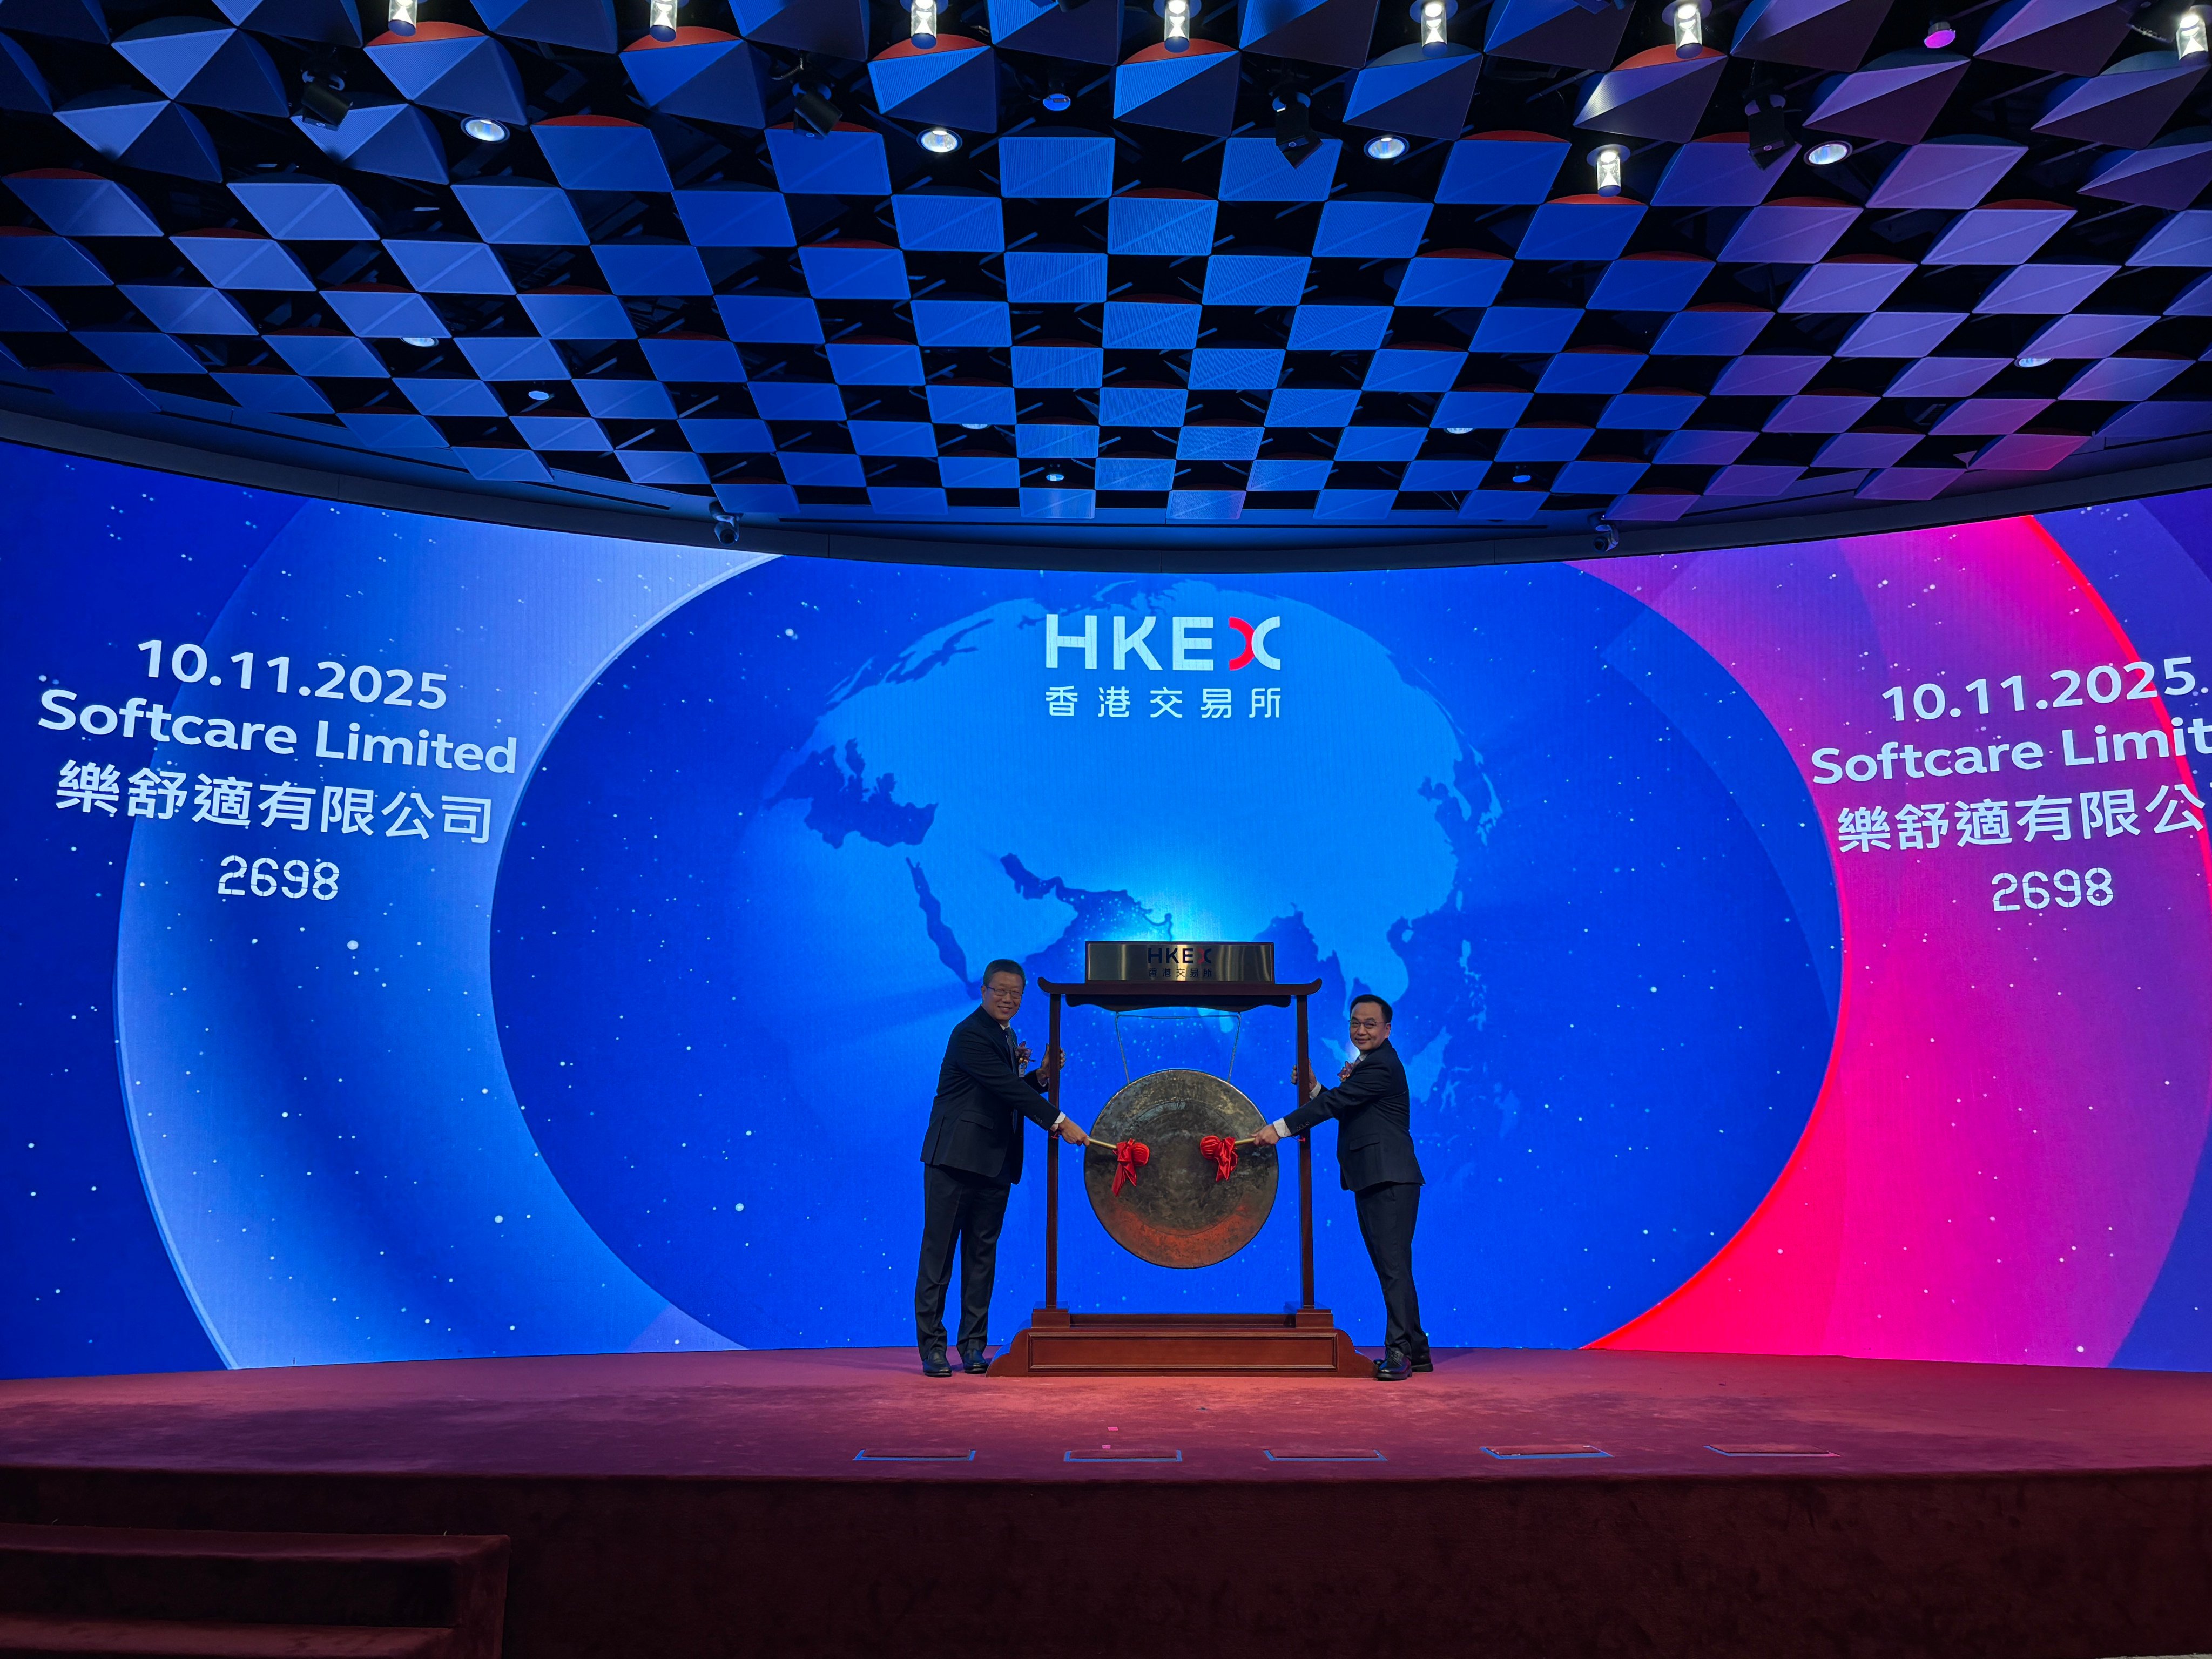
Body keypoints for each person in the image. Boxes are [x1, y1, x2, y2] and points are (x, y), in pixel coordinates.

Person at [915, 959, 1088, 1376]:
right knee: (939, 1259)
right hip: (955, 1161)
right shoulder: (970, 1034)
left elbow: (1005, 1093)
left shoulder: (1005, 1037)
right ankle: (933, 1349)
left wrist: (1043, 1076)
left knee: (981, 1259)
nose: (1008, 999)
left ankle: (973, 1347)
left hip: (995, 1164)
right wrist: (1059, 1122)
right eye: (1001, 991)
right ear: (984, 991)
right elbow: (1005, 1087)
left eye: (1016, 994)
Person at [1257, 993, 1428, 1381]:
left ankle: (1399, 1351)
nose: (1361, 1030)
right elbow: (1347, 1104)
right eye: (1356, 1023)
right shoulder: (1370, 1066)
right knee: (1393, 1267)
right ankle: (1417, 1350)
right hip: (1375, 1177)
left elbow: (1333, 1108)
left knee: (1393, 1268)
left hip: (1391, 1179)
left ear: (1387, 1029)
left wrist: (1279, 1130)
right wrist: (1317, 1086)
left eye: (1370, 1024)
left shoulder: (1381, 1066)